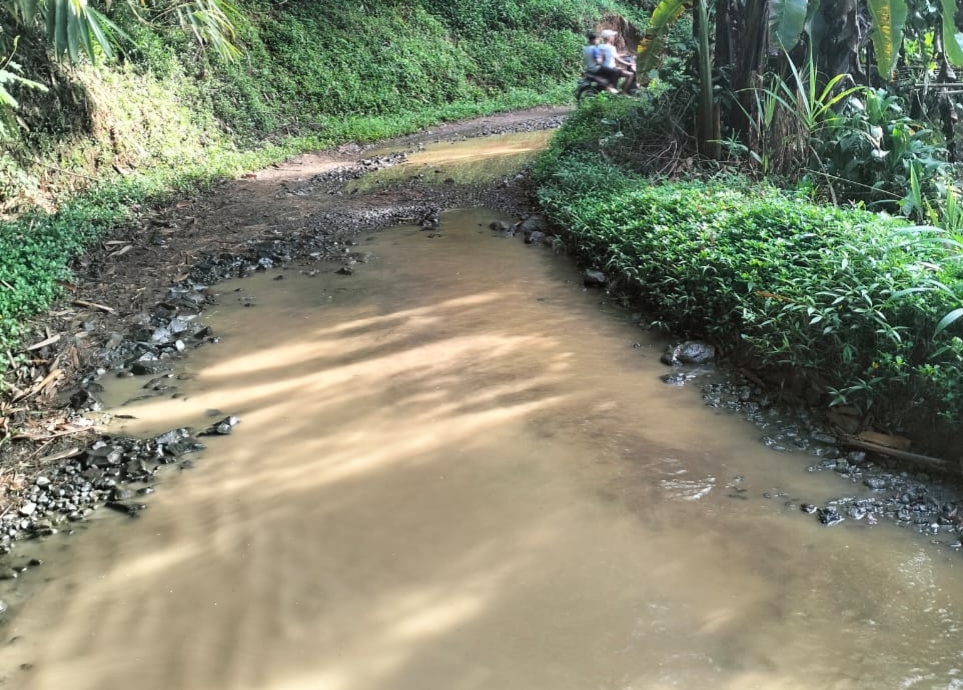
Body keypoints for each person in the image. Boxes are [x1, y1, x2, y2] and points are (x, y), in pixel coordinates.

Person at [598, 29, 636, 95]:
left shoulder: (600, 46)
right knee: (630, 74)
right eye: (612, 36)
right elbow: (617, 59)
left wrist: (623, 54)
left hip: (603, 68)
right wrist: (629, 63)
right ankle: (623, 92)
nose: (613, 37)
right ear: (608, 38)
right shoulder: (611, 48)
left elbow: (611, 54)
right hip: (612, 69)